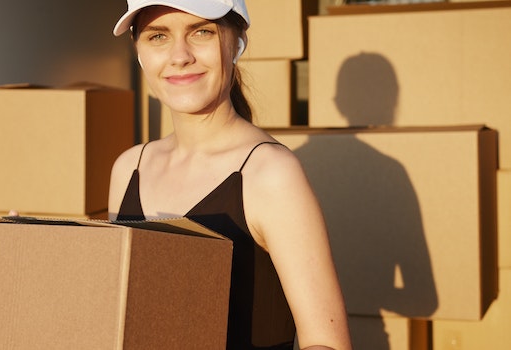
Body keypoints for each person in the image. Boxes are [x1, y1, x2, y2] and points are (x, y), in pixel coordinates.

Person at [107, 0, 352, 349]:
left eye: (201, 32)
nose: (180, 56)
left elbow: (328, 343)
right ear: (139, 53)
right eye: (158, 36)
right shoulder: (128, 168)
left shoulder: (270, 174)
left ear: (236, 43)